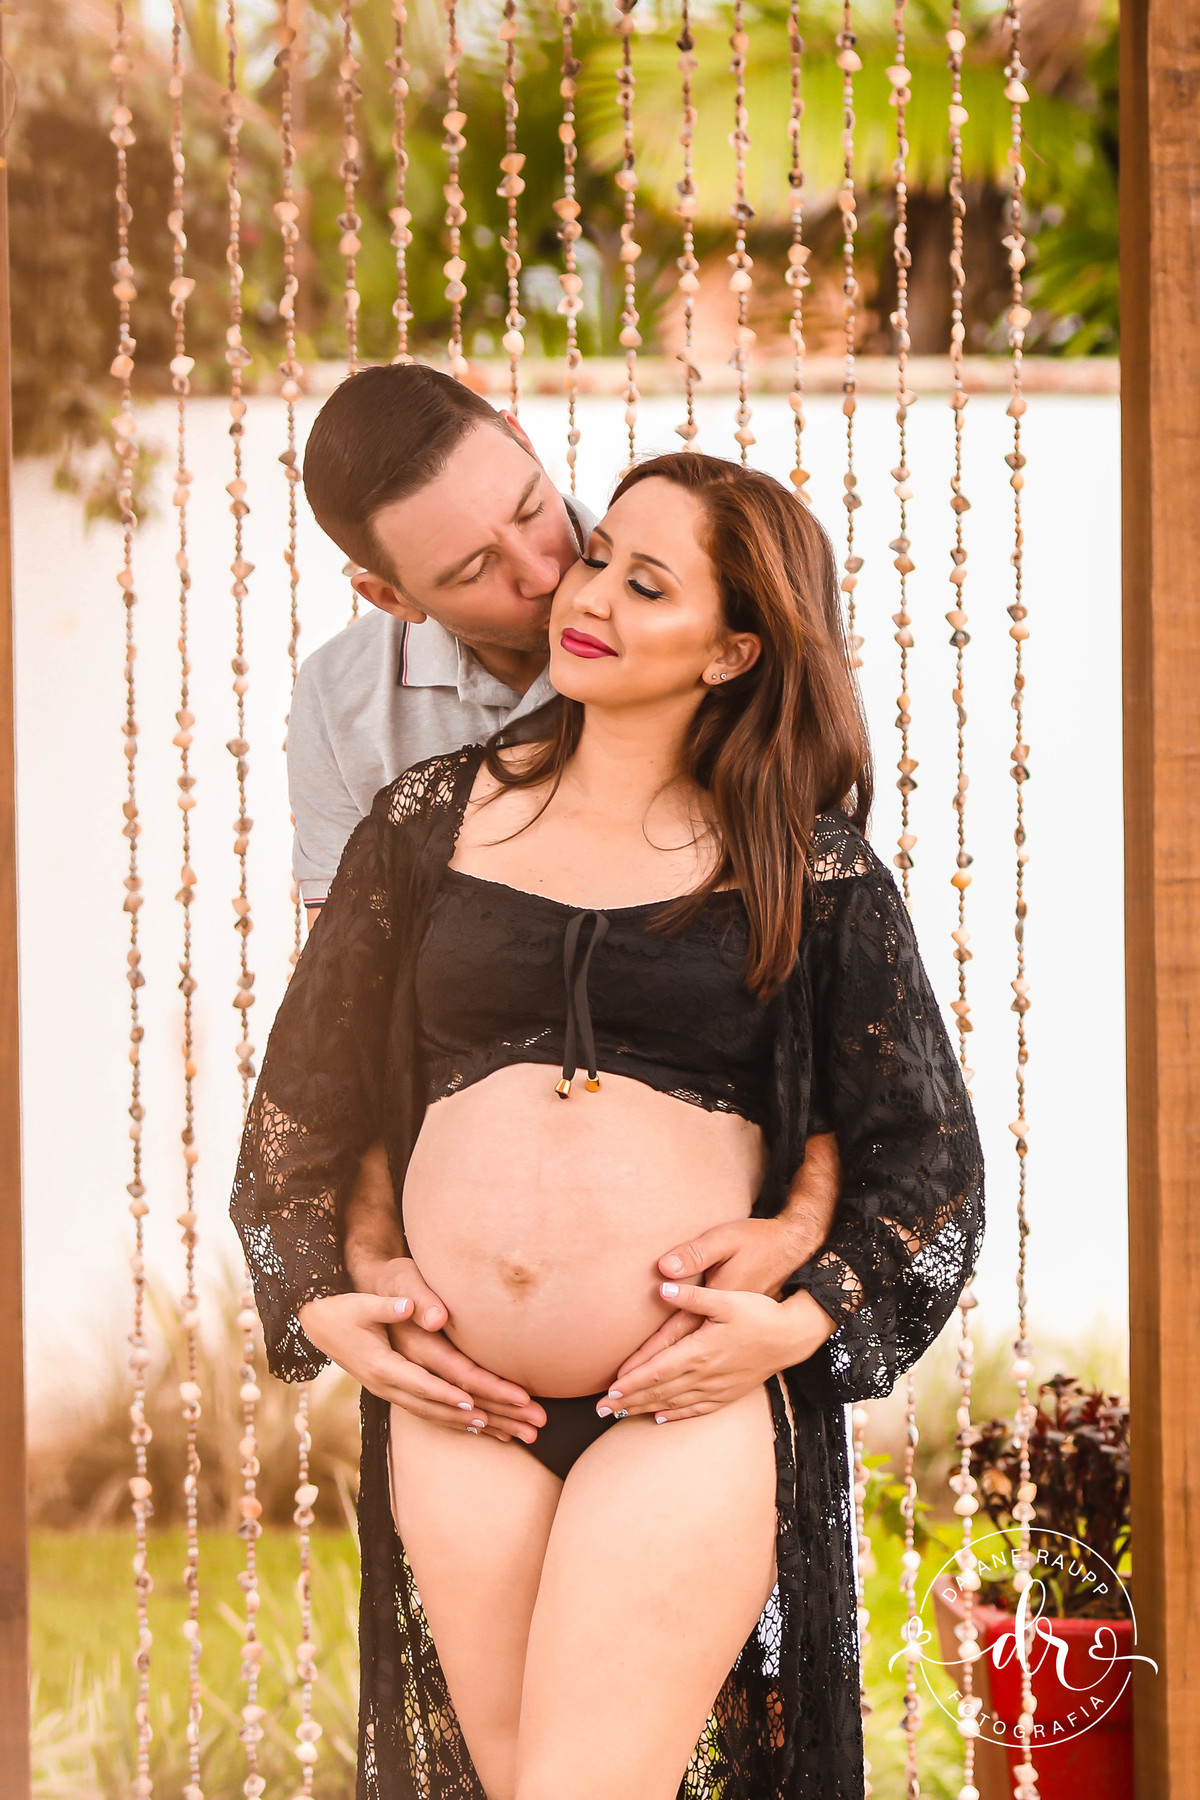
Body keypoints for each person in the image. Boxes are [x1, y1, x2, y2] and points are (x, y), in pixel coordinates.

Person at [232, 450, 984, 1800]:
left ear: (732, 650)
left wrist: (800, 1321)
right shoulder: (425, 823)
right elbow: (313, 1097)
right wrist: (326, 1297)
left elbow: (922, 1158)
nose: (589, 599)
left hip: (680, 1403)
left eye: (648, 585)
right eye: (597, 559)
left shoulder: (807, 866)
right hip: (464, 1400)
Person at [291, 363, 843, 1455]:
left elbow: (835, 1011)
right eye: (474, 569)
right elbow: (350, 1031)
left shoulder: (704, 581)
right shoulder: (346, 710)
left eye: (535, 509)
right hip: (459, 1357)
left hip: (702, 1346)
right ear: (391, 598)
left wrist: (797, 1240)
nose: (550, 576)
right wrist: (361, 1259)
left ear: (518, 429)